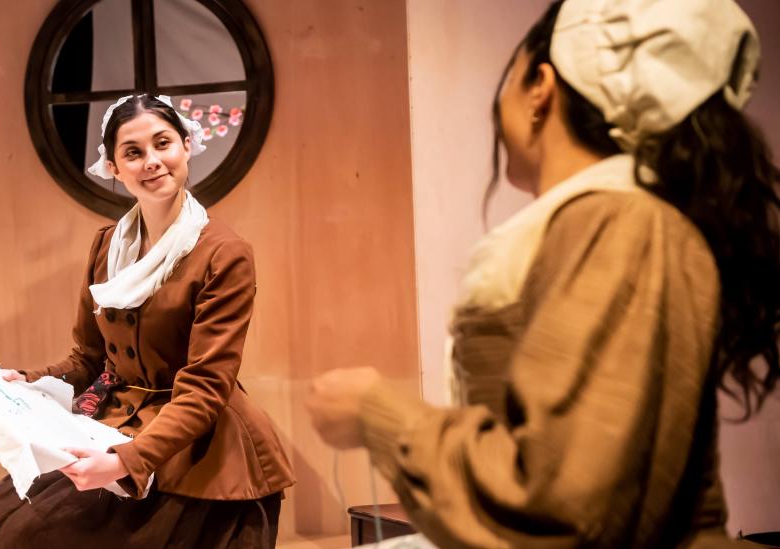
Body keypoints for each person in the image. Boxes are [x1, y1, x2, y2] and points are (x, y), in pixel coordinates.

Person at [307, 0, 780, 547]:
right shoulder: (607, 224)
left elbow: (562, 506)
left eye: (511, 74)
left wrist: (378, 412)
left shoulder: (622, 227)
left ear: (540, 88)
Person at [0, 94, 295, 548]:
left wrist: (126, 461)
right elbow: (89, 359)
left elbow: (205, 387)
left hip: (195, 449)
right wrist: (26, 380)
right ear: (115, 168)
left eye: (163, 143)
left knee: (36, 537)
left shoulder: (224, 253)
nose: (151, 161)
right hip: (114, 425)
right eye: (133, 152)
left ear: (186, 146)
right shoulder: (107, 246)